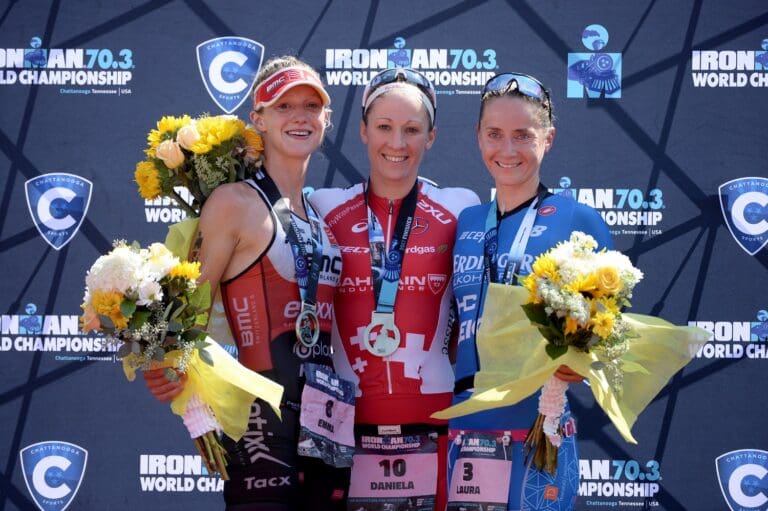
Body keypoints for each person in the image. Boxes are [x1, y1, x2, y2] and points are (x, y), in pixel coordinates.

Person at [143, 56, 350, 511]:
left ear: (326, 120)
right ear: (257, 119)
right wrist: (166, 367)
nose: (299, 116)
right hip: (261, 423)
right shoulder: (234, 202)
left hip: (326, 426)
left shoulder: (318, 218)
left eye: (311, 107)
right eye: (283, 106)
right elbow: (187, 310)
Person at [311, 68, 480, 511]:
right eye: (384, 127)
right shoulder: (323, 206)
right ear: (363, 131)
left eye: (412, 130)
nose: (397, 143)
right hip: (346, 419)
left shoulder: (460, 206)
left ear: (432, 137)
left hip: (437, 415)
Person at [447, 73, 613, 510]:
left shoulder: (579, 219)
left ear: (549, 138)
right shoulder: (466, 222)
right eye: (495, 134)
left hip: (539, 429)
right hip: (463, 430)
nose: (507, 150)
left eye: (523, 135)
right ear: (478, 137)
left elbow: (606, 336)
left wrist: (576, 363)